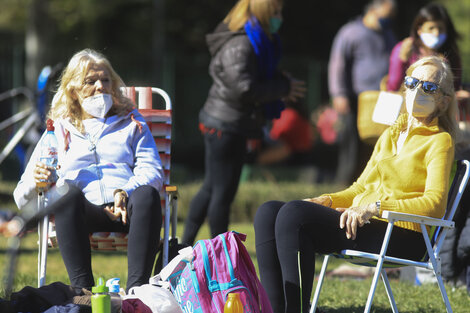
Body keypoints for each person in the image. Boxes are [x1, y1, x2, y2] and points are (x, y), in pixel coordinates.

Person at [254, 55, 457, 313]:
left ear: (444, 100)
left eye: (428, 87)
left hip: (403, 233)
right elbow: (360, 188)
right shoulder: (390, 134)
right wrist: (325, 200)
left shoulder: (440, 141)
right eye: (412, 82)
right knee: (268, 211)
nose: (417, 90)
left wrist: (375, 207)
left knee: (294, 215)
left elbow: (435, 204)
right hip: (363, 222)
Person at [13, 49, 164, 292]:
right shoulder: (57, 129)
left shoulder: (132, 121)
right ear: (73, 90)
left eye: (105, 80)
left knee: (147, 193)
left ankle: (139, 292)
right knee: (65, 193)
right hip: (83, 212)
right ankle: (82, 292)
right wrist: (36, 179)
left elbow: (153, 170)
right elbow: (20, 197)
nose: (100, 87)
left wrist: (125, 191)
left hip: (128, 209)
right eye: (90, 81)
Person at [181, 0, 306, 246]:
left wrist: (281, 81)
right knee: (222, 193)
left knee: (212, 187)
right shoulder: (242, 43)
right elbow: (244, 88)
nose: (280, 17)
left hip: (230, 122)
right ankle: (220, 252)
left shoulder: (254, 40)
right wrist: (282, 87)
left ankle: (184, 246)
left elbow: (253, 77)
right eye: (276, 12)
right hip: (225, 124)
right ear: (262, 12)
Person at [328, 0, 397, 185]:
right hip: (355, 100)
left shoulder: (387, 34)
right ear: (374, 9)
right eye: (387, 14)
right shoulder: (351, 32)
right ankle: (342, 188)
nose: (389, 19)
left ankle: (366, 188)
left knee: (375, 149)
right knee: (351, 150)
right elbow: (338, 65)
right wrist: (339, 93)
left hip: (383, 100)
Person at [386, 2, 464, 94]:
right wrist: (402, 60)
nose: (436, 33)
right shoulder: (404, 48)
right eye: (431, 28)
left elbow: (455, 87)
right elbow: (392, 87)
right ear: (419, 30)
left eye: (440, 28)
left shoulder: (450, 54)